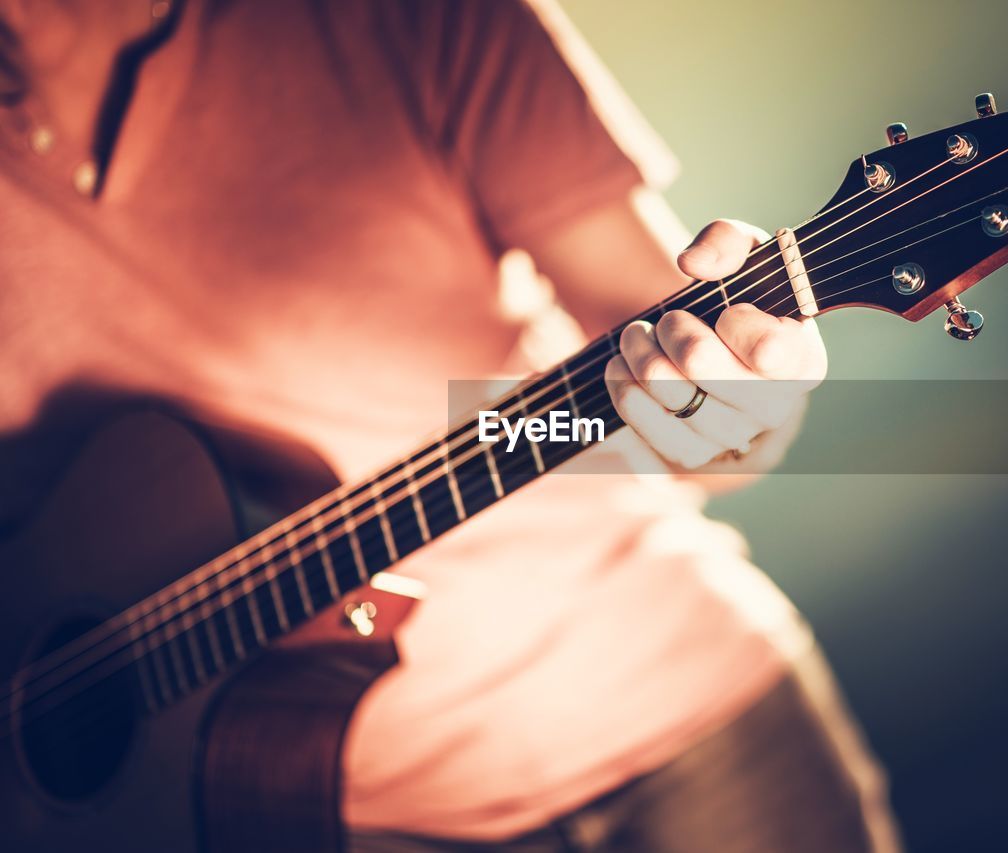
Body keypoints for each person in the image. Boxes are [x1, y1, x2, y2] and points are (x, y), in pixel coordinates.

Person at [0, 1, 900, 850]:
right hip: (295, 821)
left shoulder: (405, 16)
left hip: (691, 719)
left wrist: (737, 397)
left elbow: (708, 422)